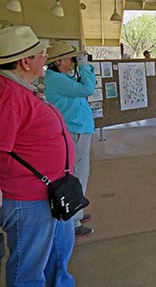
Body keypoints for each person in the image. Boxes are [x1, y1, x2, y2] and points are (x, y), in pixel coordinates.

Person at [0, 26, 75, 286]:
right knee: (28, 270)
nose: (45, 58)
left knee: (57, 256)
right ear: (25, 61)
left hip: (51, 192)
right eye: (41, 54)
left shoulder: (20, 88)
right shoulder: (8, 94)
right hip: (29, 200)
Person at [44, 41, 96, 237]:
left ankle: (77, 211)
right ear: (58, 62)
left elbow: (87, 85)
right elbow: (87, 90)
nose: (73, 61)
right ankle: (73, 220)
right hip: (75, 130)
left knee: (81, 173)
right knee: (78, 175)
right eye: (70, 58)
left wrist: (84, 68)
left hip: (78, 128)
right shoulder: (56, 79)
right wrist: (83, 66)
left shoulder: (60, 77)